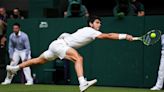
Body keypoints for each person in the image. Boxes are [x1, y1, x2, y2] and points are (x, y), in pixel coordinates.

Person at [6, 16, 133, 91]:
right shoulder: (91, 30)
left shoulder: (83, 30)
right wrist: (124, 35)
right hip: (60, 45)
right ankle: (82, 83)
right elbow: (108, 35)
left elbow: (67, 36)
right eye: (97, 22)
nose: (99, 24)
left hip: (56, 44)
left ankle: (14, 68)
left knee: (38, 60)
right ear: (91, 24)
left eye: (100, 23)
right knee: (79, 58)